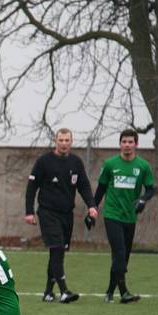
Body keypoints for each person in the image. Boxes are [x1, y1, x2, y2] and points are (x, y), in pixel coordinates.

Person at [24, 128, 97, 303]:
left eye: (67, 140)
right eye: (61, 140)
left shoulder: (76, 162)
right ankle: (64, 291)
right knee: (56, 248)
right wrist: (29, 211)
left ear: (71, 142)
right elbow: (31, 187)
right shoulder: (44, 161)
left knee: (58, 253)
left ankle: (48, 292)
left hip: (67, 214)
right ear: (55, 141)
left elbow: (84, 186)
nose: (64, 143)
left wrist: (91, 206)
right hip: (48, 212)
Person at [93, 129, 155, 303]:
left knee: (123, 257)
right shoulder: (111, 164)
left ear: (136, 144)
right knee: (119, 252)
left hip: (130, 217)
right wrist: (93, 209)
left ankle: (109, 292)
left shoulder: (143, 166)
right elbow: (101, 189)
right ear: (120, 144)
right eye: (124, 142)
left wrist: (142, 200)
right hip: (112, 215)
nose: (127, 145)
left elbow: (150, 189)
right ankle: (124, 292)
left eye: (130, 142)